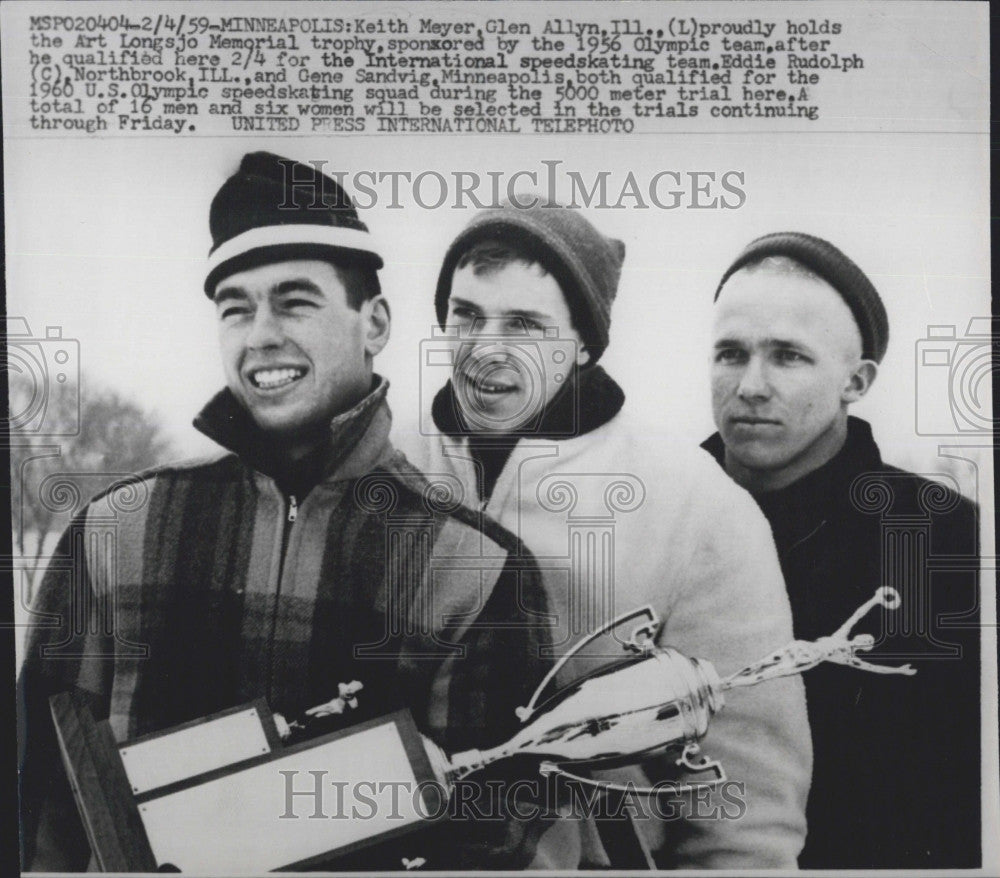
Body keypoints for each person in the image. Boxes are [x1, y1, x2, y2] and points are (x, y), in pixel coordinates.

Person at [17, 152, 556, 871]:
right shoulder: (118, 528)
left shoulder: (477, 567)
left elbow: (498, 847)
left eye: (294, 300)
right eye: (235, 307)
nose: (260, 333)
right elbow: (37, 808)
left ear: (375, 323)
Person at [404, 200, 812, 869]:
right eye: (466, 314)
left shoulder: (695, 502)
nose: (486, 350)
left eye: (526, 325)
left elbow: (748, 816)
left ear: (585, 343)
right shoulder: (385, 467)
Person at [703, 232, 981, 868]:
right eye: (729, 353)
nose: (749, 385)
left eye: (788, 357)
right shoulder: (662, 514)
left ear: (856, 380)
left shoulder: (948, 547)